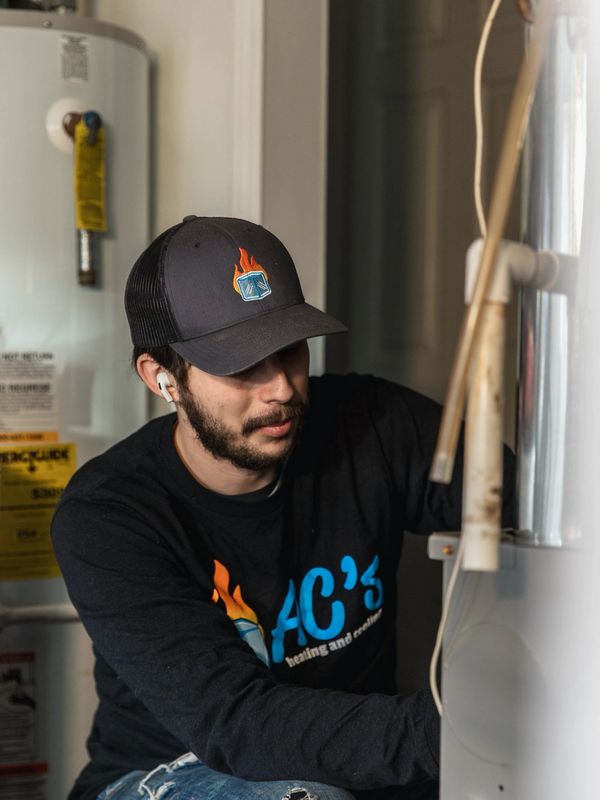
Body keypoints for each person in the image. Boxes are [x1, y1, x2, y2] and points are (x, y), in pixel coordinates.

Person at [51, 216, 514, 800]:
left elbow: (529, 501)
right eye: (241, 364)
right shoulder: (109, 516)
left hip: (352, 767)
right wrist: (463, 729)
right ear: (162, 377)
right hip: (169, 774)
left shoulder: (372, 425)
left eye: (289, 349)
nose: (281, 388)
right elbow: (239, 724)